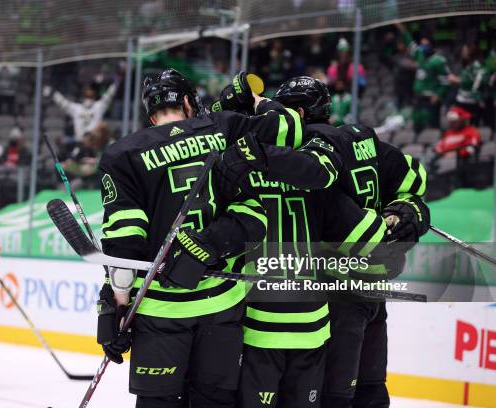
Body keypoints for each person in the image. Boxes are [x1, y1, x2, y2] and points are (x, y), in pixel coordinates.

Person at [97, 68, 308, 408]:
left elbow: (124, 241)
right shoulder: (223, 128)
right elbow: (288, 131)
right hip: (222, 305)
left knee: (159, 403)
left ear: (150, 112)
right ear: (187, 102)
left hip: (159, 308)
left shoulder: (122, 155)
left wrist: (116, 304)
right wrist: (254, 99)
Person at [265, 76, 430, 408]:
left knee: (335, 395)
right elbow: (415, 177)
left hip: (339, 293)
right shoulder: (361, 136)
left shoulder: (311, 152)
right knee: (370, 389)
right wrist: (405, 211)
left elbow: (335, 216)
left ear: (298, 112)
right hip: (374, 289)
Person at [398, 24, 454, 133]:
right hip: (419, 97)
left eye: (426, 45)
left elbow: (446, 80)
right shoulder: (420, 54)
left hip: (431, 99)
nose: (423, 47)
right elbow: (410, 43)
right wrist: (403, 29)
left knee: (432, 126)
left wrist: (438, 95)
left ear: (432, 45)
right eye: (422, 44)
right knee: (417, 125)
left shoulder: (439, 60)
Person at [43, 77, 119, 141]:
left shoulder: (98, 107)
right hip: (80, 141)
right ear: (83, 97)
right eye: (86, 96)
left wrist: (116, 82)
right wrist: (54, 93)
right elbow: (63, 103)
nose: (88, 99)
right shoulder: (76, 108)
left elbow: (108, 96)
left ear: (94, 98)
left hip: (94, 143)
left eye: (90, 97)